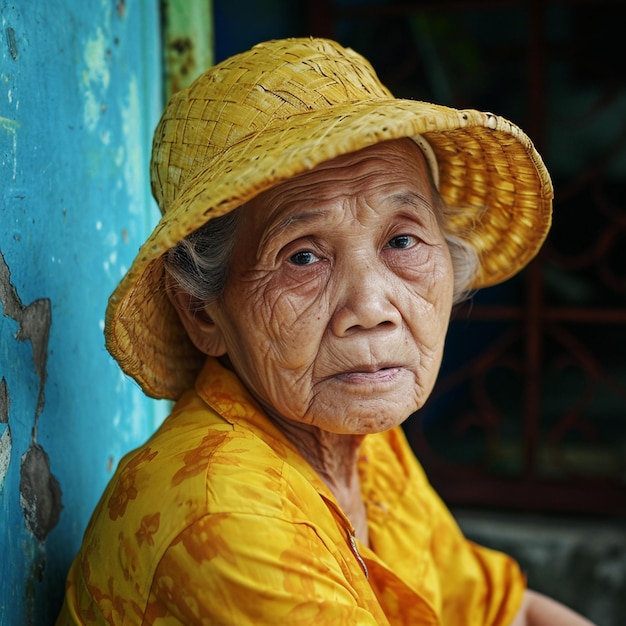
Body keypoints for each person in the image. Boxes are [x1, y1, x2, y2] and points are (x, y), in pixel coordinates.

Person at [57, 37, 594, 625]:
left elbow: (506, 614)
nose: (370, 307)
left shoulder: (360, 442)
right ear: (203, 313)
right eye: (303, 257)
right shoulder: (224, 517)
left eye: (402, 240)